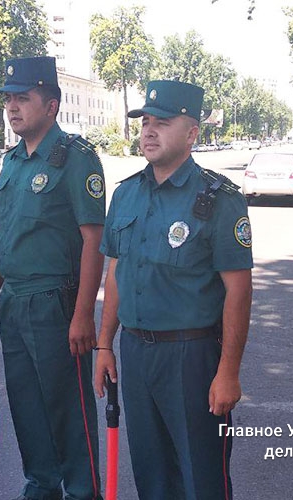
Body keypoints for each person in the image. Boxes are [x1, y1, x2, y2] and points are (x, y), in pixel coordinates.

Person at [94, 80, 253, 500]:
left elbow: (238, 291)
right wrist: (105, 344)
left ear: (192, 133)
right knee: (151, 473)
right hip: (135, 352)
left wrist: (229, 371)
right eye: (145, 122)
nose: (149, 131)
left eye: (162, 123)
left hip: (191, 357)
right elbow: (116, 273)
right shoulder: (126, 194)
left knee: (201, 476)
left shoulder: (219, 200)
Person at [0, 56, 105, 500]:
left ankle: (82, 491)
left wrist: (83, 314)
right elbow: (3, 234)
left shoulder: (75, 158)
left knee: (68, 407)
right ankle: (42, 486)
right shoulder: (12, 161)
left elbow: (94, 240)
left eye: (23, 98)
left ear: (51, 105)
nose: (12, 107)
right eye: (8, 99)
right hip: (13, 302)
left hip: (55, 303)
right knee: (27, 406)